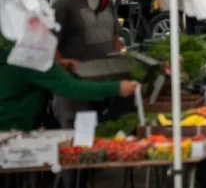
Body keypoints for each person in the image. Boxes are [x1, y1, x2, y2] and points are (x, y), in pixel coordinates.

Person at [0, 37, 137, 132]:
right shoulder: (29, 59)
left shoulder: (11, 54)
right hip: (12, 132)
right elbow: (70, 88)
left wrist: (54, 66)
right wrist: (117, 88)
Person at [53, 0, 124, 126]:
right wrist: (62, 69)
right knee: (78, 139)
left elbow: (115, 38)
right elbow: (50, 43)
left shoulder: (106, 3)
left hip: (105, 85)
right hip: (77, 87)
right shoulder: (64, 5)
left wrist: (119, 64)